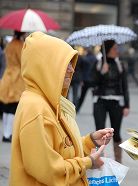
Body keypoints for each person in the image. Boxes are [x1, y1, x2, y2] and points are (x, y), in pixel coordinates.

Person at [9, 32, 114, 186]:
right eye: (65, 64)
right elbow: (49, 170)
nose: (72, 70)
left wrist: (88, 141)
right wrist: (88, 162)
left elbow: (61, 148)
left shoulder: (48, 101)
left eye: (71, 64)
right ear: (47, 66)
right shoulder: (35, 108)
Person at [92, 40, 129, 163]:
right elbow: (91, 83)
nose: (117, 51)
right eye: (114, 49)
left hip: (116, 102)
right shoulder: (98, 63)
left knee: (116, 133)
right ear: (107, 50)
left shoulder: (120, 65)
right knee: (100, 131)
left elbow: (125, 86)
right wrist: (101, 72)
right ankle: (99, 159)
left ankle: (118, 161)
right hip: (100, 101)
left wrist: (126, 105)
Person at [0, 31, 26, 142]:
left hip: (7, 75)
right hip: (17, 77)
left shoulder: (9, 44)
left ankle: (5, 133)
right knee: (13, 107)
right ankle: (8, 133)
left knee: (6, 106)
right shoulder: (20, 45)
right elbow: (23, 61)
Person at [76, 47, 98, 113]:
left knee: (82, 96)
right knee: (94, 97)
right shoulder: (95, 59)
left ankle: (77, 109)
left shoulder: (84, 59)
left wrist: (81, 80)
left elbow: (81, 70)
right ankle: (95, 110)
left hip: (85, 80)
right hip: (93, 80)